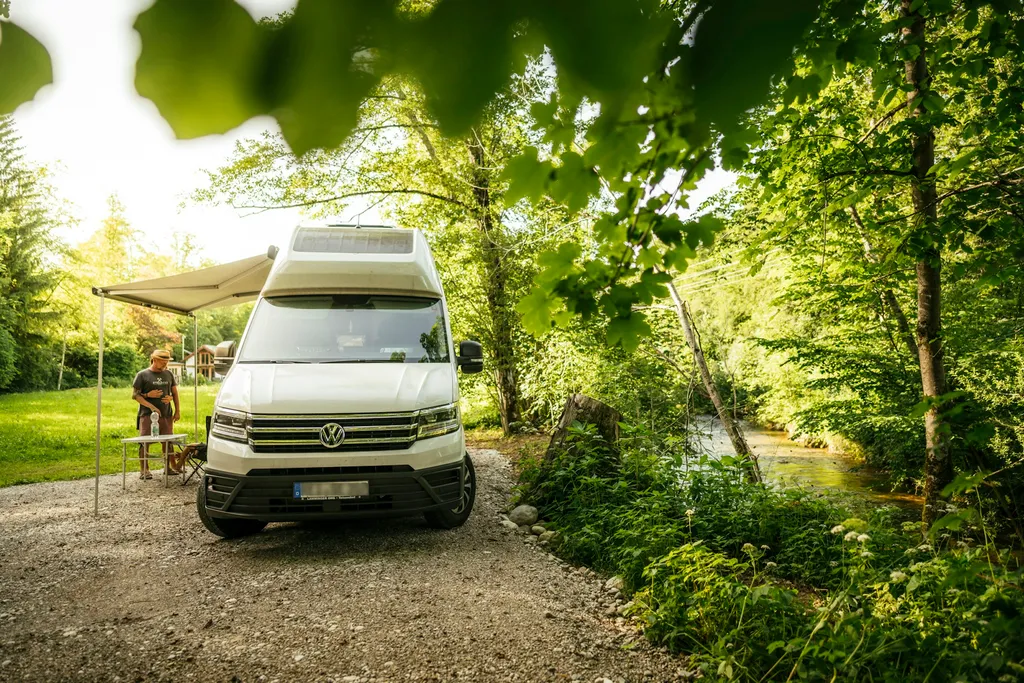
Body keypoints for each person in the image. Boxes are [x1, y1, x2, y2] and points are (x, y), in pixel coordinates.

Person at [131, 349, 181, 479]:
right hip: (147, 414)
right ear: (155, 359)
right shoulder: (142, 375)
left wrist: (177, 410)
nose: (165, 364)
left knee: (167, 441)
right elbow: (135, 395)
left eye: (167, 361)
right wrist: (150, 401)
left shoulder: (169, 374)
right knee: (145, 441)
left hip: (166, 413)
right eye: (163, 361)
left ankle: (169, 467)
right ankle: (144, 470)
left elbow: (175, 393)